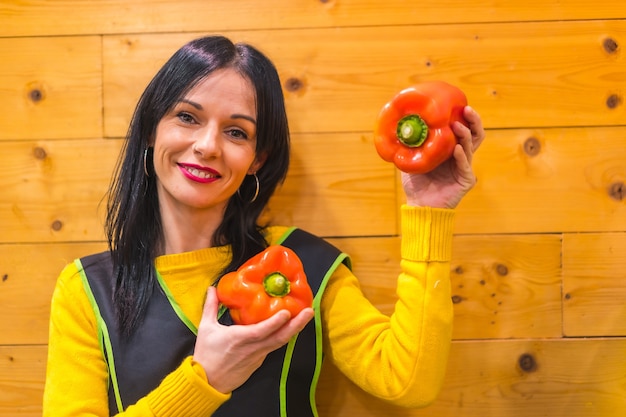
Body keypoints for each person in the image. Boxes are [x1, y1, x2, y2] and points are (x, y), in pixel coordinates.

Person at [43, 35, 485, 416]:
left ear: (258, 159)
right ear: (150, 131)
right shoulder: (87, 290)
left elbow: (407, 382)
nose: (207, 146)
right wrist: (206, 381)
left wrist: (431, 211)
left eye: (237, 132)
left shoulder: (301, 264)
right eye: (187, 117)